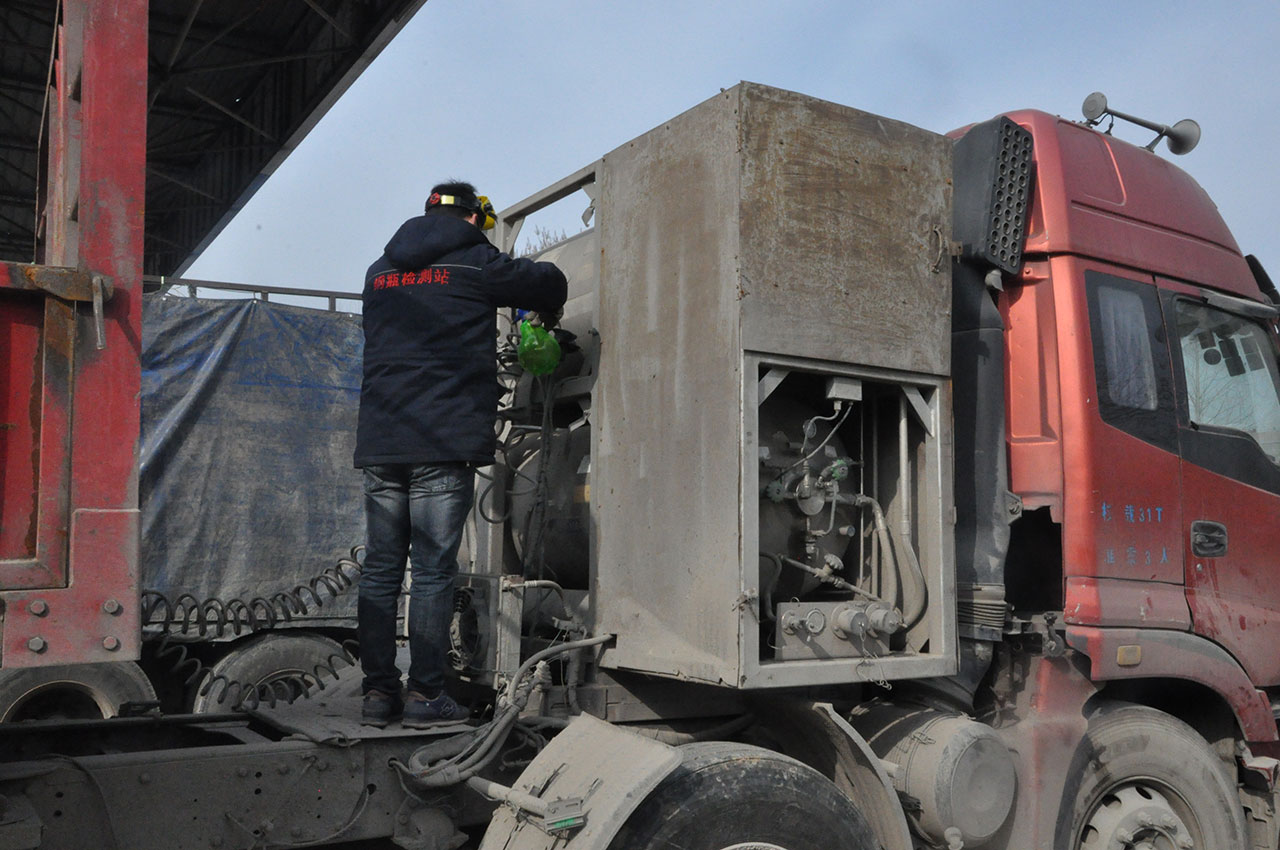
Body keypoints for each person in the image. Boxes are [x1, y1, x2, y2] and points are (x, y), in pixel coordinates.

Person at [354, 181, 567, 727]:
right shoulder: (475, 262)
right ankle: (426, 696)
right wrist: (549, 312)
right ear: (476, 220)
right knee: (430, 572)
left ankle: (378, 695)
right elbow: (545, 281)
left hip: (382, 440)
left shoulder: (379, 271)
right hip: (440, 441)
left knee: (380, 571)